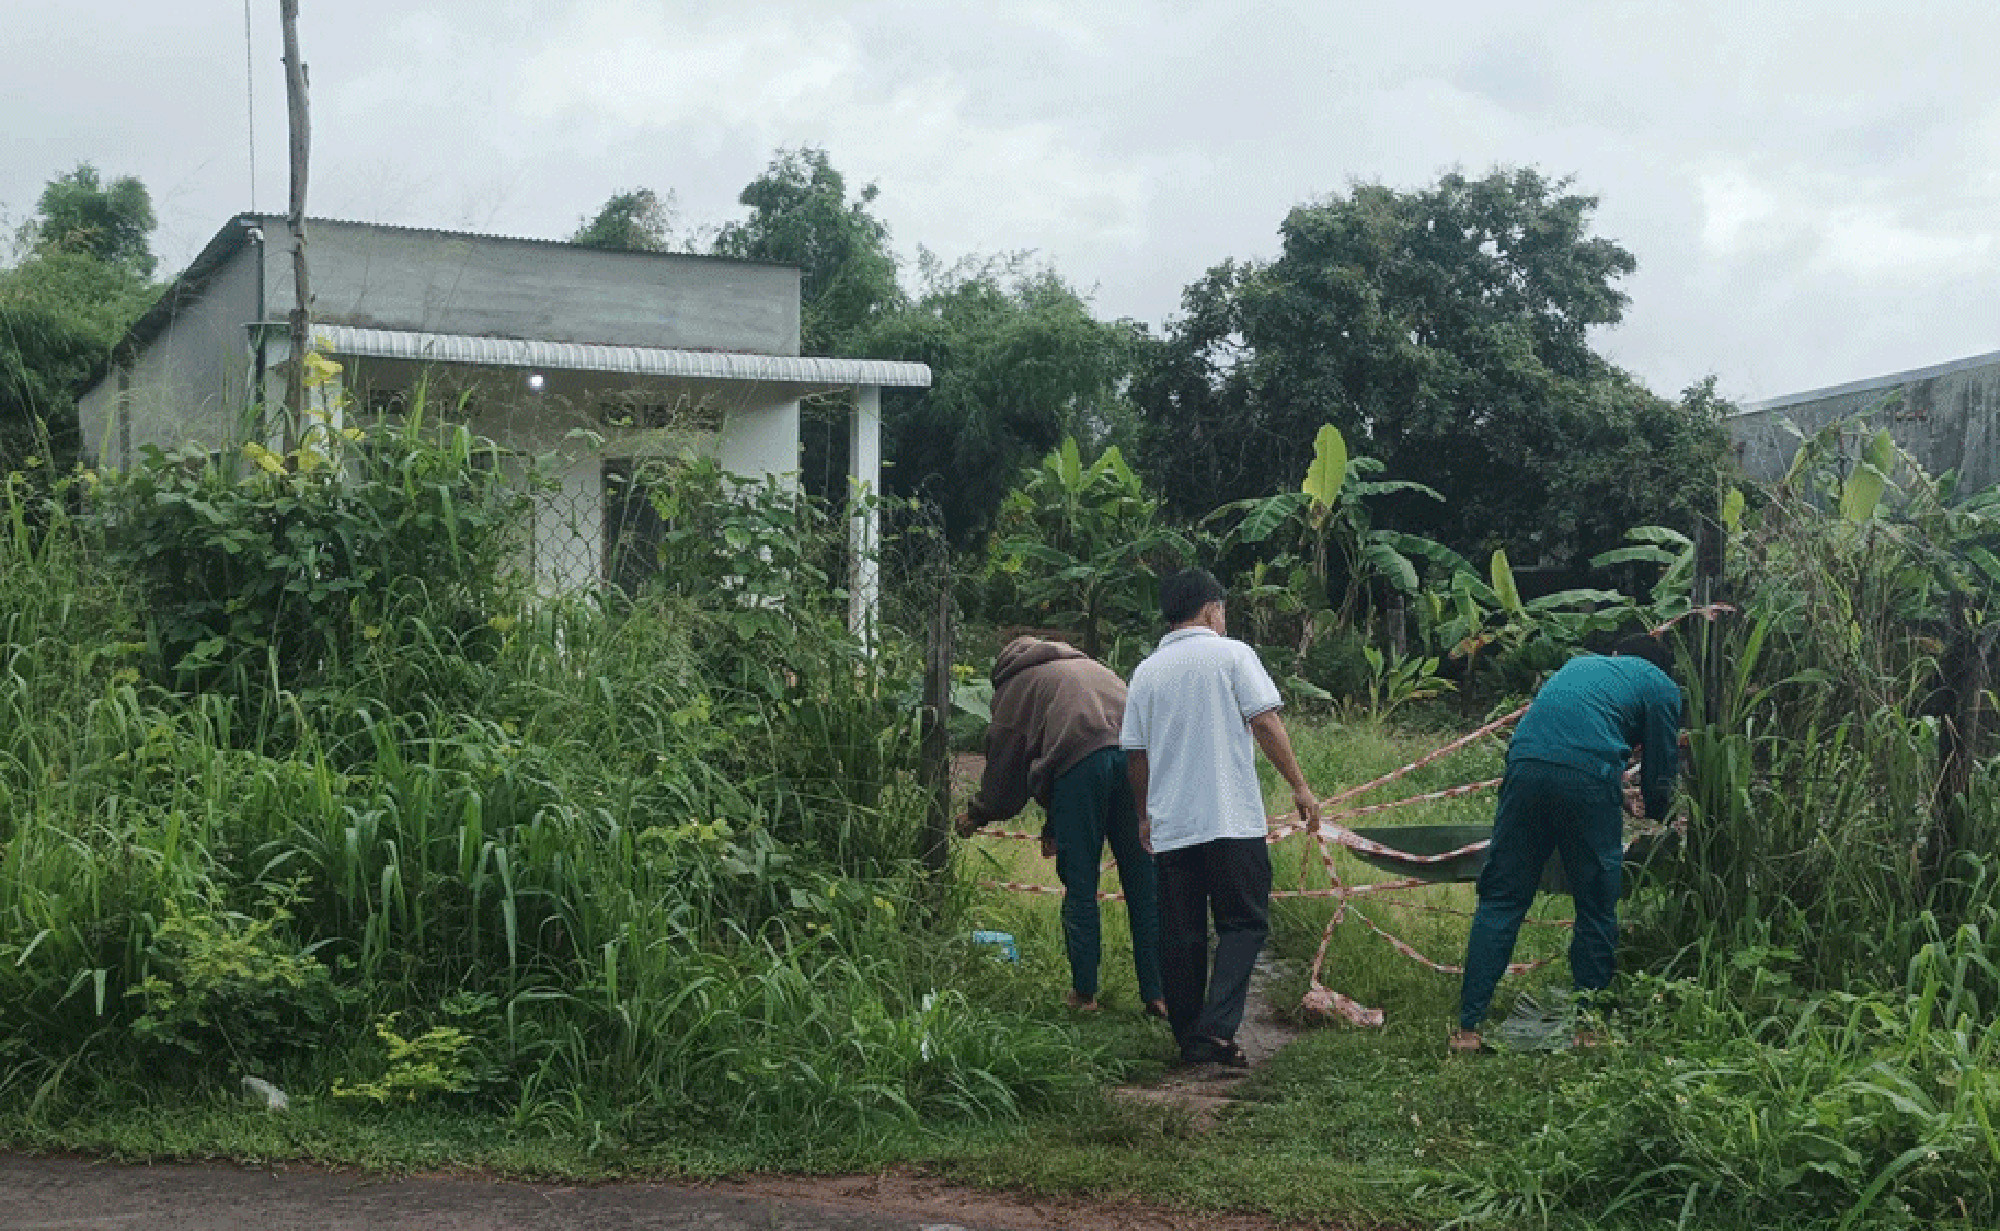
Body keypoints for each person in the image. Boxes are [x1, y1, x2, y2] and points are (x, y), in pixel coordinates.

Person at [1120, 570, 1321, 1068]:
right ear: (1212, 610)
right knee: (1244, 924)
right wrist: (1299, 785)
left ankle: (1191, 1037)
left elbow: (1135, 754)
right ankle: (1215, 1030)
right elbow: (1266, 721)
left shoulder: (1147, 670)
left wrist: (1144, 816)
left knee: (1181, 932)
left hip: (1173, 828)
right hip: (1231, 821)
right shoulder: (1232, 655)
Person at [1451, 636, 1682, 1053]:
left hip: (1524, 767)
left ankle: (1468, 1029)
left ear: (1617, 655)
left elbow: (1567, 732)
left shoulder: (1578, 666)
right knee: (1595, 905)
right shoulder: (1661, 686)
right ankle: (1588, 1028)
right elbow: (1661, 768)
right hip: (1587, 777)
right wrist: (1662, 815)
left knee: (1502, 899)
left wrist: (1614, 789)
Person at [956, 636, 1165, 1016]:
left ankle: (1085, 995)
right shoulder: (1089, 666)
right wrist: (1055, 822)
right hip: (1135, 759)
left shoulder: (1016, 685)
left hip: (1081, 766)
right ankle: (1159, 994)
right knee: (1143, 881)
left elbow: (1008, 771)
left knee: (1081, 883)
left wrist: (977, 814)